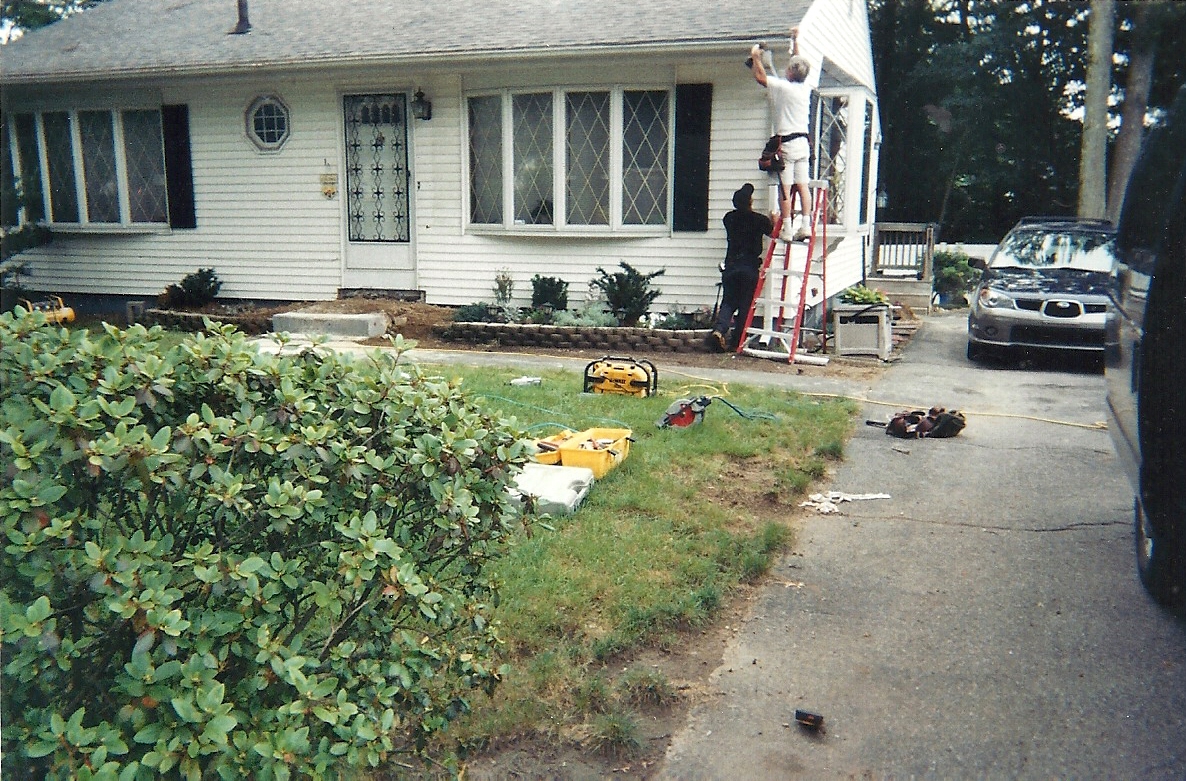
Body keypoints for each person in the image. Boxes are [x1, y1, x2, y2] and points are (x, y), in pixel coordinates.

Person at [750, 27, 812, 242]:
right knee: (803, 185)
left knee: (784, 188)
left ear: (791, 73)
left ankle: (786, 228)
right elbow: (797, 59)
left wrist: (755, 57)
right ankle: (806, 225)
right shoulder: (806, 88)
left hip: (787, 144)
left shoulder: (783, 87)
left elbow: (760, 77)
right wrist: (796, 39)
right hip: (803, 143)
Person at [711, 183, 775, 351]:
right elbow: (772, 232)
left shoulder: (728, 218)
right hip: (749, 267)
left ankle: (719, 330)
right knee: (745, 304)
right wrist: (774, 220)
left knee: (728, 302)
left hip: (731, 266)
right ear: (750, 202)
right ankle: (736, 342)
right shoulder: (759, 220)